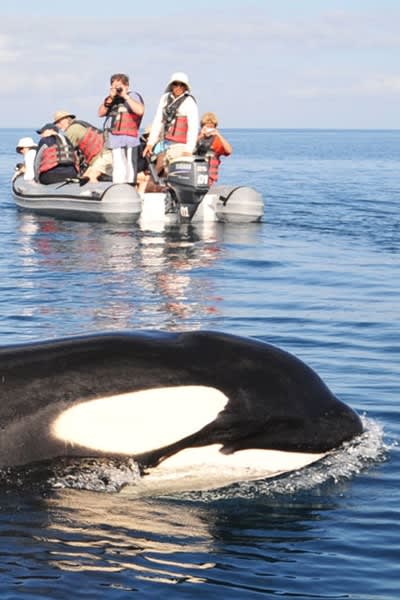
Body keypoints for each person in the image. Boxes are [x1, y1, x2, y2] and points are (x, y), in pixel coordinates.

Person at [143, 72, 199, 174]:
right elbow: (158, 121)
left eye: (182, 85)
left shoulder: (189, 102)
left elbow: (193, 128)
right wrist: (150, 143)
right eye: (175, 84)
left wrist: (188, 150)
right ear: (171, 86)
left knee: (176, 175)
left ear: (185, 87)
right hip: (165, 144)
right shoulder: (164, 99)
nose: (178, 87)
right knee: (161, 173)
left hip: (181, 146)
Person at [98, 73, 144, 184]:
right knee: (118, 168)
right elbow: (100, 113)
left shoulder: (133, 96)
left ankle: (130, 188)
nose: (118, 89)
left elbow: (140, 110)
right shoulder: (112, 100)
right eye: (115, 86)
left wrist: (125, 95)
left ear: (126, 86)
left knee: (129, 168)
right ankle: (118, 189)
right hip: (115, 140)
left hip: (130, 140)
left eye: (120, 86)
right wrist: (110, 97)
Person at [53, 110, 112, 183]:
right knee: (86, 176)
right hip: (104, 154)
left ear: (67, 119)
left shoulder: (71, 130)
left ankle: (96, 193)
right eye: (56, 123)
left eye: (59, 122)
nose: (58, 125)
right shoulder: (81, 124)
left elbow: (65, 151)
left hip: (103, 156)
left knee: (90, 177)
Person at [195, 112, 232, 186]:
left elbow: (229, 151)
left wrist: (218, 135)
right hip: (195, 174)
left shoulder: (217, 140)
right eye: (207, 127)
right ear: (202, 127)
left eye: (211, 127)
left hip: (210, 178)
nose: (209, 130)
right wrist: (201, 135)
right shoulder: (196, 137)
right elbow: (189, 148)